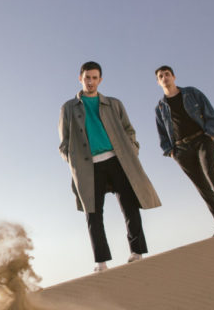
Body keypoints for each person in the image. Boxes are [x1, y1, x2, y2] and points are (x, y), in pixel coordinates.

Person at [59, 61, 161, 272]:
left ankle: (137, 252)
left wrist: (132, 150)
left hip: (118, 160)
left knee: (130, 206)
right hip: (89, 167)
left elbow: (128, 130)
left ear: (100, 80)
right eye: (87, 77)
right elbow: (64, 142)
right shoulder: (68, 108)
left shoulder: (114, 103)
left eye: (95, 78)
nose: (90, 82)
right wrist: (72, 161)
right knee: (93, 214)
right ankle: (101, 262)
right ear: (80, 78)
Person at [154, 65, 214, 236]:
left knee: (211, 173)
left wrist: (210, 134)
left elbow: (210, 113)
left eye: (167, 74)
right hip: (181, 149)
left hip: (202, 139)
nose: (165, 78)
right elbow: (162, 133)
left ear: (174, 77)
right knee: (200, 184)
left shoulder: (191, 93)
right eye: (161, 76)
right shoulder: (160, 107)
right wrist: (171, 152)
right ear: (158, 82)